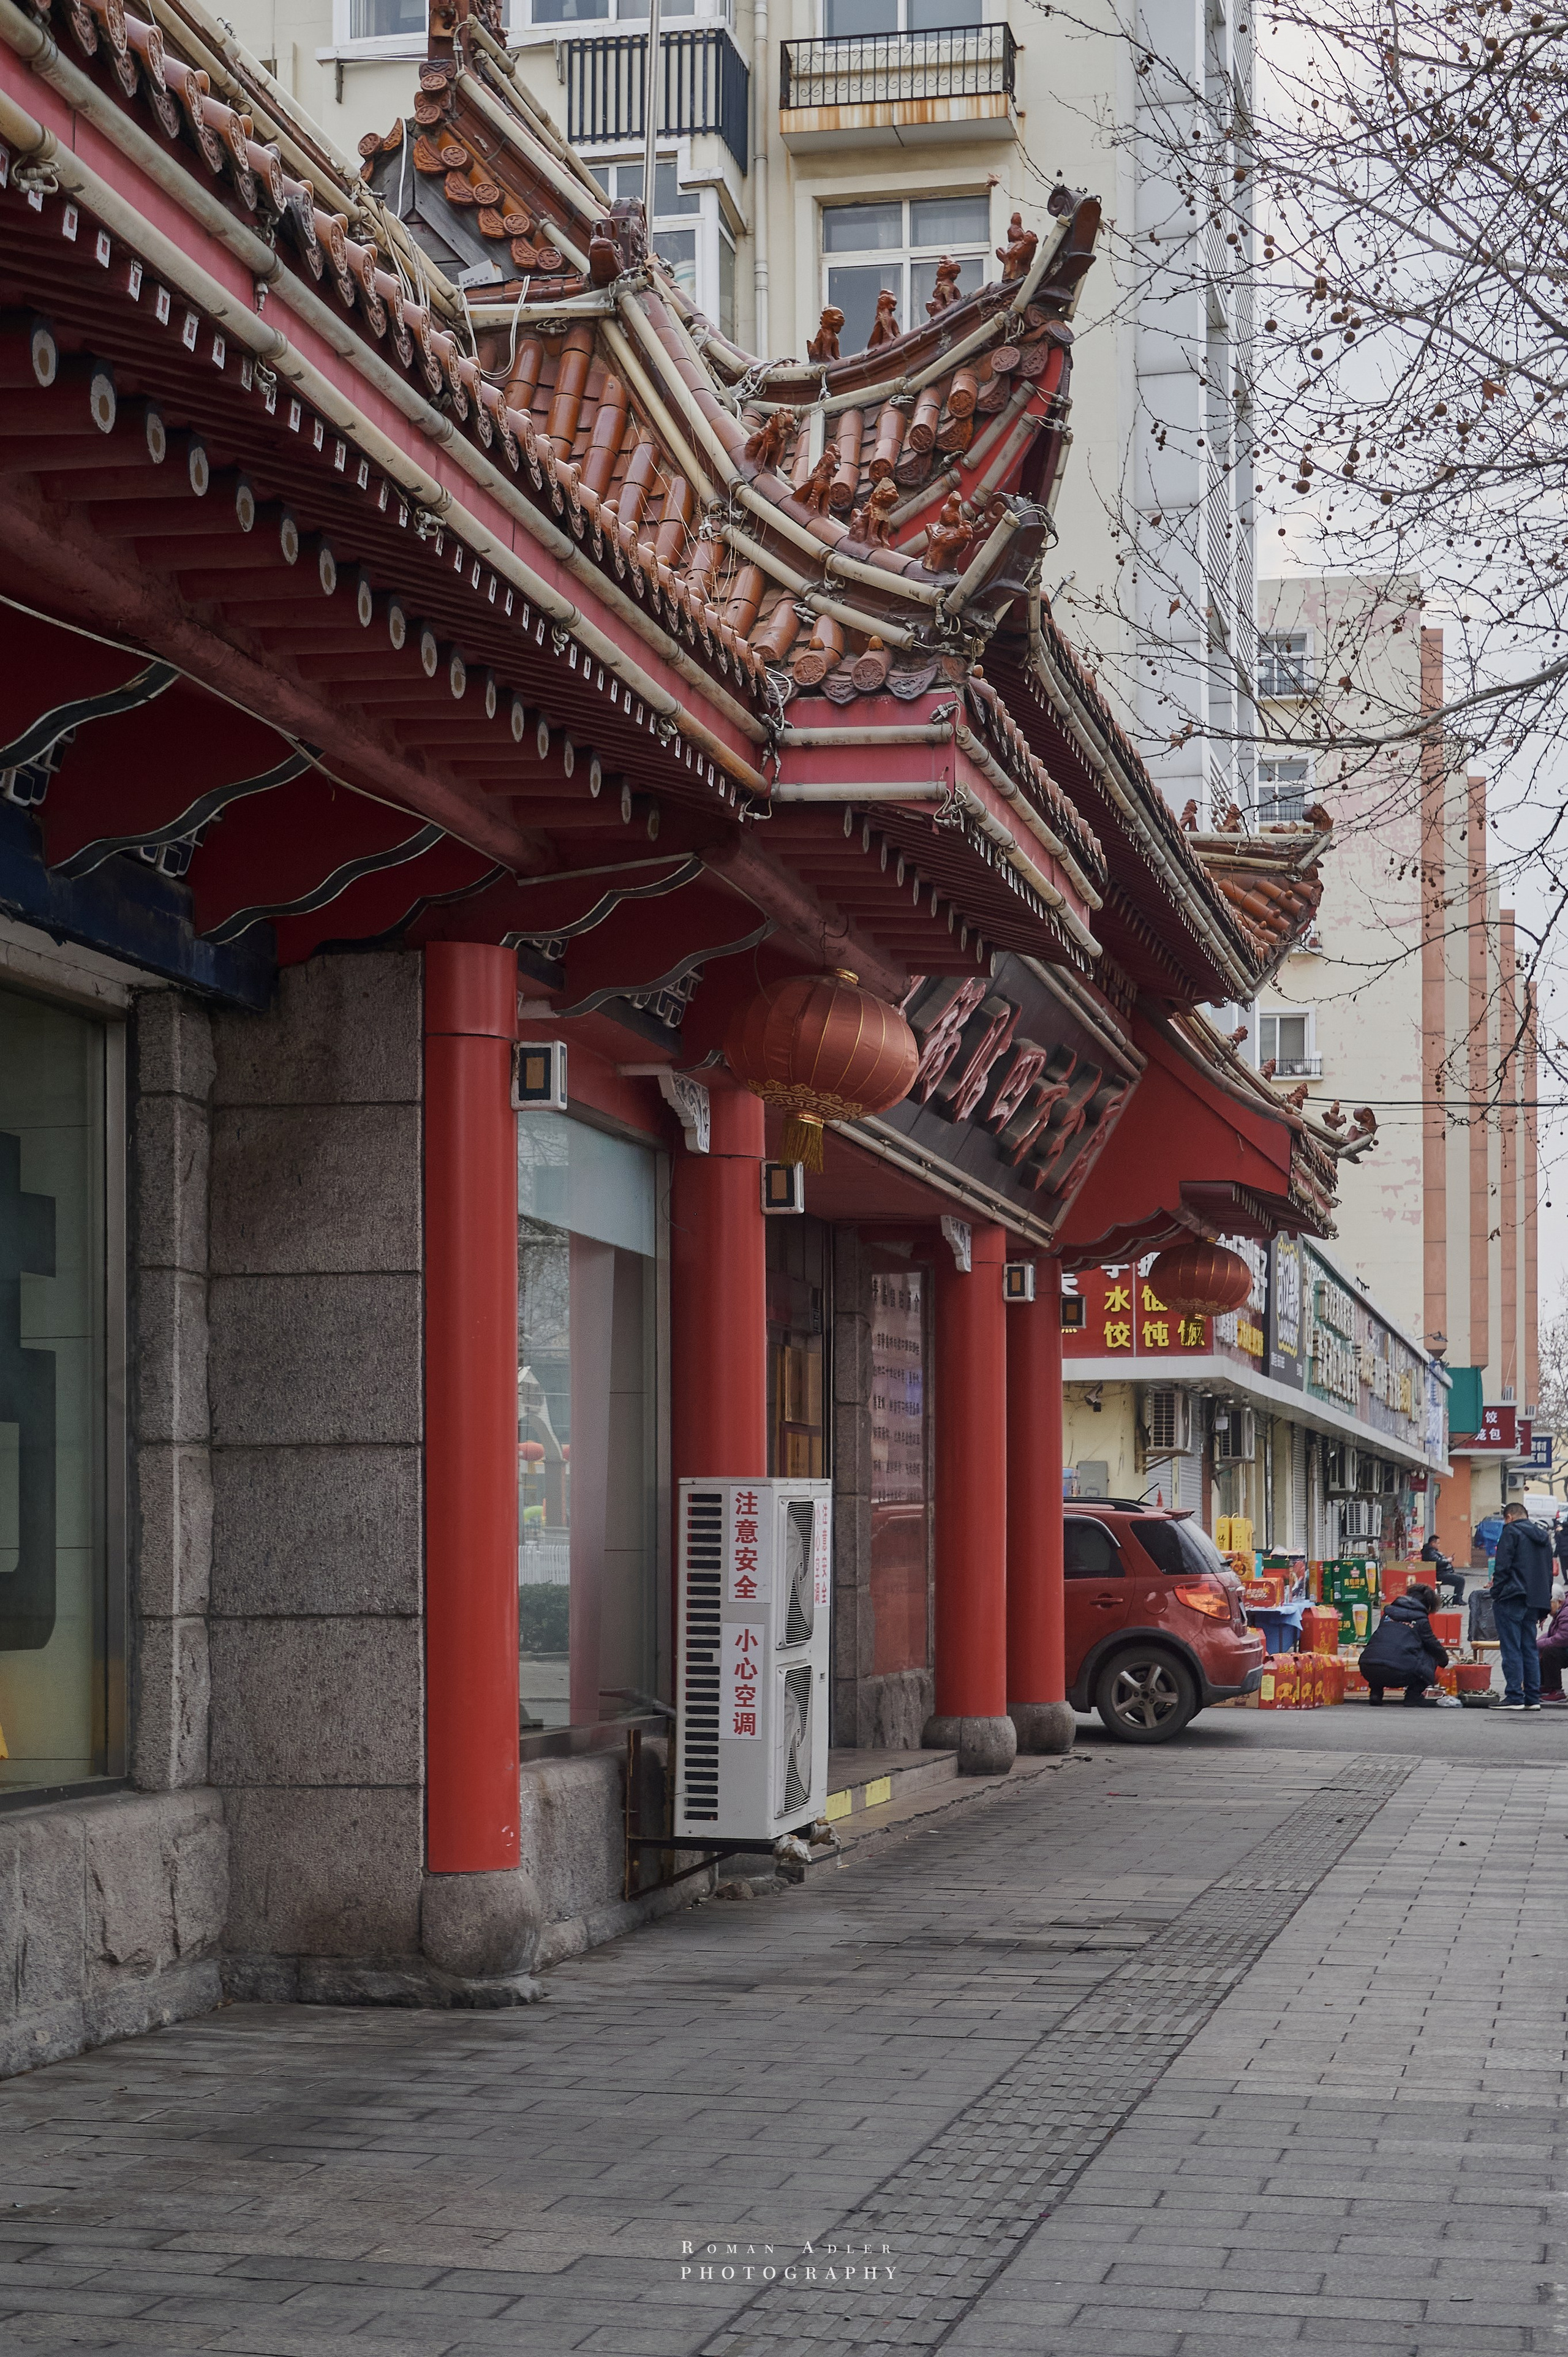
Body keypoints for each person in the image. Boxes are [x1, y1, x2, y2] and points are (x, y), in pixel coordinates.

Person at [1490, 1500, 1555, 1711]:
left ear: (1509, 1517)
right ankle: (1533, 1698)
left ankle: (1515, 1696)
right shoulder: (1543, 1537)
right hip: (1535, 1600)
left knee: (1511, 1648)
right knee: (1529, 1648)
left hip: (1512, 1597)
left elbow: (1503, 1567)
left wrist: (1496, 1592)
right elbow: (1548, 1572)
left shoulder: (1511, 1532)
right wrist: (1544, 1605)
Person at [1359, 1583, 1449, 1706]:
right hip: (1399, 1673)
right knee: (1430, 1655)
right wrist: (1444, 1661)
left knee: (1383, 1650)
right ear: (1429, 1605)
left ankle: (1376, 1693)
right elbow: (1433, 1645)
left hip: (1368, 1667)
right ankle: (1413, 1696)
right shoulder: (1421, 1619)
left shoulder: (1388, 1614)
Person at [1537, 1591, 1568, 1705]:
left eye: (1549, 1604)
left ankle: (1556, 1691)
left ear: (1559, 1602)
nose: (1547, 1608)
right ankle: (1545, 1687)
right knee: (1545, 1648)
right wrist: (1539, 1642)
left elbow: (1562, 1639)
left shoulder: (1566, 1613)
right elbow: (1552, 1634)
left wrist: (1539, 1644)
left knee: (1551, 1652)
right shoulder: (1562, 1611)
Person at [1419, 1532, 1464, 1607]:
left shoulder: (1432, 1551)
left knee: (1459, 1579)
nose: (1439, 1545)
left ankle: (1458, 1599)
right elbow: (1438, 1562)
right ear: (1433, 1543)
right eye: (1438, 1543)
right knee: (1460, 1580)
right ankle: (1457, 1600)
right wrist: (1448, 1560)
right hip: (1440, 1575)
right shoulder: (1429, 1552)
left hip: (1443, 1572)